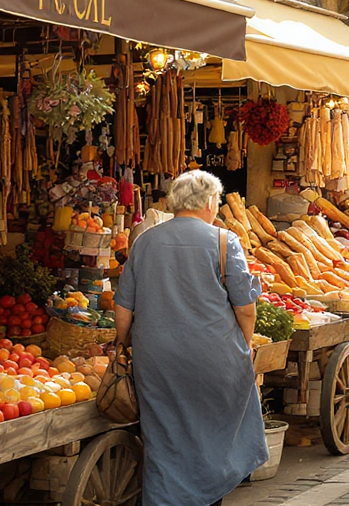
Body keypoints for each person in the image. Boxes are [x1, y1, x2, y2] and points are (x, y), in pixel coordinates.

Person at [114, 170, 267, 506]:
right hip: (215, 357)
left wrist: (122, 348)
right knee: (215, 436)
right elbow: (246, 309)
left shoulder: (144, 241)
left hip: (157, 360)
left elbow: (123, 309)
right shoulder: (225, 241)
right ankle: (209, 498)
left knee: (165, 439)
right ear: (211, 202)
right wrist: (242, 346)